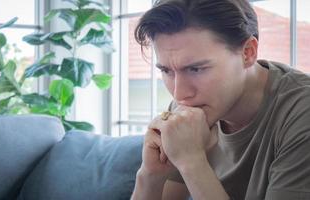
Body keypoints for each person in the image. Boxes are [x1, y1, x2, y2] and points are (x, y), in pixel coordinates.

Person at [130, 0, 310, 199]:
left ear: (248, 52)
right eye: (166, 71)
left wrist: (192, 162)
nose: (179, 95)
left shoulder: (302, 112)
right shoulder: (189, 108)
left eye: (196, 69)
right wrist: (149, 175)